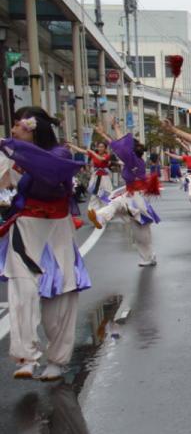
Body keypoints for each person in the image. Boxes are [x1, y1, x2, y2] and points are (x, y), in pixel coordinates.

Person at [0, 107, 88, 381]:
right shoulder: (8, 155)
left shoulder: (60, 154)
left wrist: (16, 153)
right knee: (22, 293)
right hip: (25, 231)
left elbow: (48, 172)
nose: (12, 130)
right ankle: (25, 356)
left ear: (31, 127)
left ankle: (57, 360)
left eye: (17, 125)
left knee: (59, 297)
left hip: (56, 233)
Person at [88, 125, 162, 268]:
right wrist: (107, 132)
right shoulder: (132, 160)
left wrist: (109, 132)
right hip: (131, 195)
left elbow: (120, 145)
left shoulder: (132, 159)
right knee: (119, 208)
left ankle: (149, 256)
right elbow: (120, 145)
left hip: (137, 198)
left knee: (141, 232)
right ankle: (100, 217)